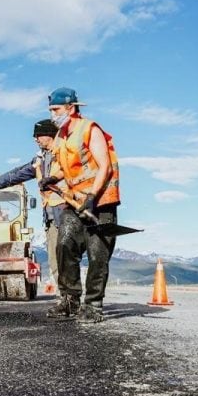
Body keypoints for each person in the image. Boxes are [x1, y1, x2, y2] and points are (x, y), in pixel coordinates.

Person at [38, 87, 120, 323]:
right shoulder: (62, 137)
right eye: (51, 110)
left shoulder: (89, 129)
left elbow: (104, 165)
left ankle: (93, 305)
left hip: (100, 200)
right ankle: (71, 300)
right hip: (75, 201)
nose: (53, 115)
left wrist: (93, 196)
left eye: (56, 110)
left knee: (97, 254)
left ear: (71, 108)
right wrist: (54, 178)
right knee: (64, 244)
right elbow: (67, 168)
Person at [0, 119, 67, 292]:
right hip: (51, 216)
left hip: (68, 212)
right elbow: (18, 173)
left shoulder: (66, 154)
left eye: (38, 135)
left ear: (50, 134)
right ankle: (67, 299)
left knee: (68, 258)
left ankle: (80, 299)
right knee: (56, 260)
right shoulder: (40, 159)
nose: (35, 139)